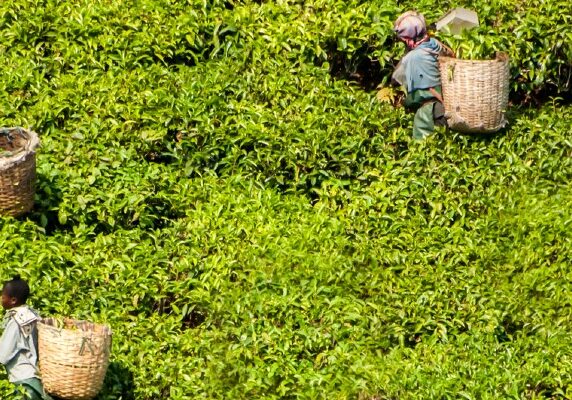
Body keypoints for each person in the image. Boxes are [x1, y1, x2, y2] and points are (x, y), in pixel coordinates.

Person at [392, 11, 454, 140]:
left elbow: (396, 81)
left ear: (408, 40)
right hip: (448, 108)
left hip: (430, 113)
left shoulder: (412, 57)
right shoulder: (436, 44)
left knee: (425, 150)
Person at [0, 276, 52, 400]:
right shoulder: (33, 315)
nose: (1, 299)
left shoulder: (16, 322)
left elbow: (3, 355)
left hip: (23, 380)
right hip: (36, 377)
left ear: (13, 300)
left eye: (3, 296)